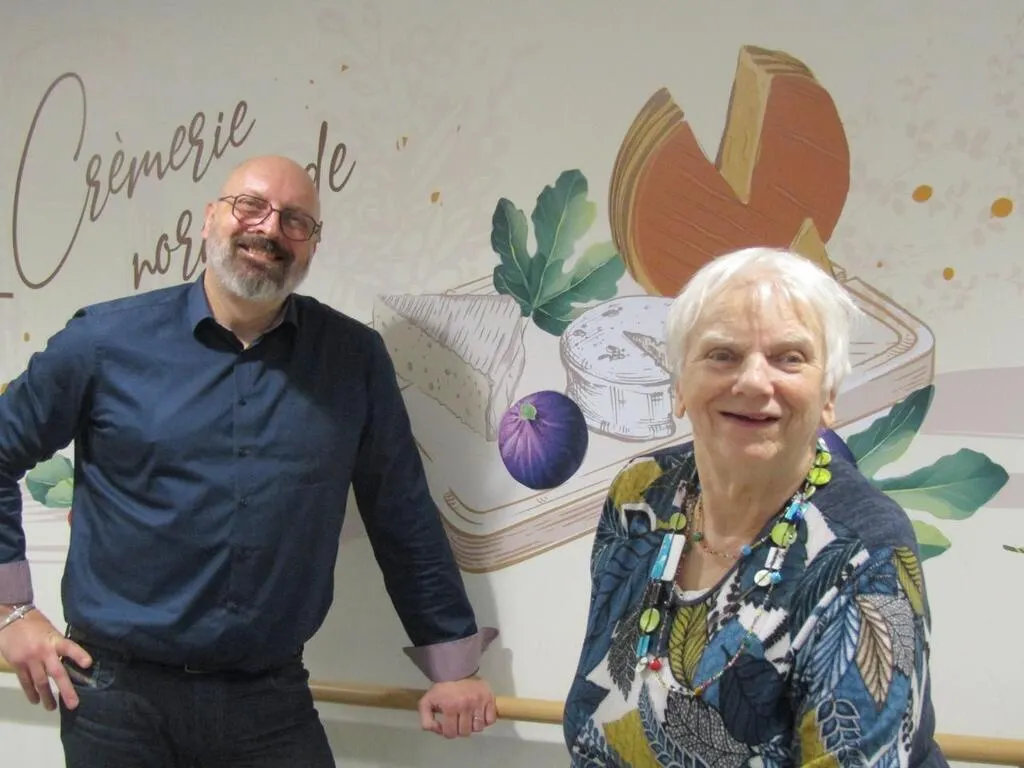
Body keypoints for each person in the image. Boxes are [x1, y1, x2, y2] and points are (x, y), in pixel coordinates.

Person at [0, 155, 499, 767]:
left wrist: (451, 665)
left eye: (295, 220)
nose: (269, 229)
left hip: (269, 699)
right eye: (251, 206)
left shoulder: (352, 360)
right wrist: (10, 610)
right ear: (210, 219)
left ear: (312, 247)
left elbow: (400, 513)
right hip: (115, 698)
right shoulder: (104, 342)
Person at [563, 247, 947, 767]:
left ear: (827, 393)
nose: (752, 382)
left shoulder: (863, 553)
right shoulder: (643, 493)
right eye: (722, 354)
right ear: (679, 385)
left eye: (790, 358)